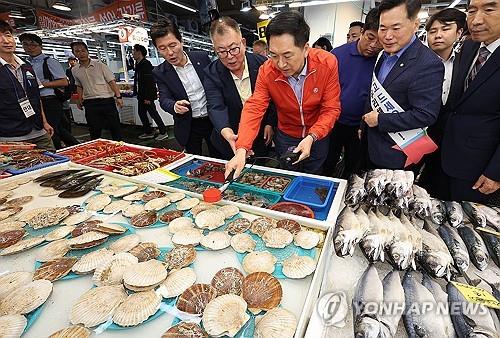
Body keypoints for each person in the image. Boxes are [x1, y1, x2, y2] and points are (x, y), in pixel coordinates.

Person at [225, 11, 341, 177]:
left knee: (314, 174)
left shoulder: (327, 63)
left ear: (305, 49)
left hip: (318, 134)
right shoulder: (267, 71)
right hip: (286, 134)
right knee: (287, 176)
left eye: (287, 55)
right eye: (273, 55)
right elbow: (255, 107)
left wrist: (312, 137)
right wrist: (242, 149)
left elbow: (331, 108)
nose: (280, 64)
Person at [361, 0, 444, 170]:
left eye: (396, 28)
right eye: (382, 28)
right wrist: (363, 126)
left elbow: (425, 115)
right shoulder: (383, 54)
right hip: (371, 144)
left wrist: (380, 120)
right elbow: (373, 93)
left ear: (415, 25)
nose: (387, 36)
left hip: (398, 153)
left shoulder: (428, 63)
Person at [440, 0, 500, 203]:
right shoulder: (470, 46)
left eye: (489, 9)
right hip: (447, 158)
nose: (476, 19)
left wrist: (495, 172)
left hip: (481, 172)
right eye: (472, 11)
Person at [204, 17, 276, 160]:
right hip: (229, 139)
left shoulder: (263, 65)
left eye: (234, 48)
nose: (230, 57)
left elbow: (274, 98)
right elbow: (216, 106)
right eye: (222, 51)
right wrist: (227, 132)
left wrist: (270, 123)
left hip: (260, 135)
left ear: (243, 43)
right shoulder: (211, 72)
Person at [323, 8, 383, 178]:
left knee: (354, 167)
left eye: (379, 42)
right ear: (362, 32)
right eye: (370, 38)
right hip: (334, 122)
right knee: (327, 162)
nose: (373, 46)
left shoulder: (382, 61)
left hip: (361, 126)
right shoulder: (337, 55)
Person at [151, 19, 217, 156]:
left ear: (181, 41)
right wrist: (174, 106)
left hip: (213, 120)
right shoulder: (160, 72)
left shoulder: (202, 58)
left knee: (220, 157)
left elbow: (216, 85)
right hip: (189, 124)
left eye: (173, 45)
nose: (169, 52)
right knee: (194, 161)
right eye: (162, 48)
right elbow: (164, 99)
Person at [419, 8, 466, 198]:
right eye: (432, 31)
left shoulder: (467, 63)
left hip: (451, 140)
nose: (438, 35)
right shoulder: (418, 64)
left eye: (445, 29)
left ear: (459, 32)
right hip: (417, 136)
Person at [0, 20, 54, 150]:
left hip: (39, 131)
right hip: (10, 138)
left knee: (56, 166)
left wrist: (45, 122)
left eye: (7, 35)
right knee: (23, 170)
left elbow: (36, 96)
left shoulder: (27, 66)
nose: (6, 41)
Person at [19, 33, 78, 149]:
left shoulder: (49, 61)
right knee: (59, 129)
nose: (29, 47)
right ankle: (77, 149)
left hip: (50, 100)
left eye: (33, 45)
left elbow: (64, 82)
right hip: (35, 101)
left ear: (41, 46)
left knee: (51, 130)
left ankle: (58, 156)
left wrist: (42, 85)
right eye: (25, 44)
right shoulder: (25, 63)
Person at [71, 41, 123, 141]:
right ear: (74, 53)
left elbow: (112, 82)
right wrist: (79, 99)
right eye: (77, 51)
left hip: (107, 101)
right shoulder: (75, 70)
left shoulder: (100, 66)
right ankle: (96, 151)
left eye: (83, 51)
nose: (81, 53)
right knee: (94, 130)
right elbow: (79, 85)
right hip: (90, 103)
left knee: (115, 128)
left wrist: (118, 97)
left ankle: (121, 149)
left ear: (87, 51)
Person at [132, 44, 168, 141]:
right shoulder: (139, 65)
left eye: (134, 51)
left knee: (153, 113)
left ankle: (163, 132)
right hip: (141, 95)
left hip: (146, 96)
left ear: (139, 52)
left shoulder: (145, 65)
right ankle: (148, 132)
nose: (132, 54)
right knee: (142, 113)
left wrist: (148, 97)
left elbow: (149, 82)